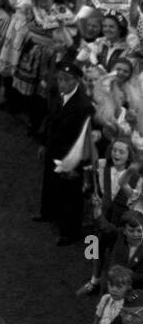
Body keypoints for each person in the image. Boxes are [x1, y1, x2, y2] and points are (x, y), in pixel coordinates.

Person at [36, 63, 94, 246]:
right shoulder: (59, 96)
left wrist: (76, 166)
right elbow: (51, 120)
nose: (62, 83)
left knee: (70, 195)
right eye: (60, 79)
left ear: (76, 81)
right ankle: (48, 213)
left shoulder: (83, 105)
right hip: (54, 148)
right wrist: (44, 143)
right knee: (51, 183)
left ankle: (70, 232)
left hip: (70, 155)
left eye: (66, 80)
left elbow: (83, 139)